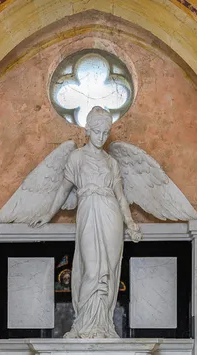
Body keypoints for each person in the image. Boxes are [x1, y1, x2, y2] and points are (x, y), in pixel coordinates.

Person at [29, 106, 142, 338]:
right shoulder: (77, 157)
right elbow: (63, 189)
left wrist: (130, 223)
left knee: (108, 272)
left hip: (111, 214)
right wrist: (48, 214)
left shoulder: (111, 163)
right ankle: (82, 325)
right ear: (88, 130)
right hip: (89, 211)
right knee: (92, 270)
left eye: (105, 132)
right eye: (97, 131)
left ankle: (104, 325)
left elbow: (121, 197)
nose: (101, 137)